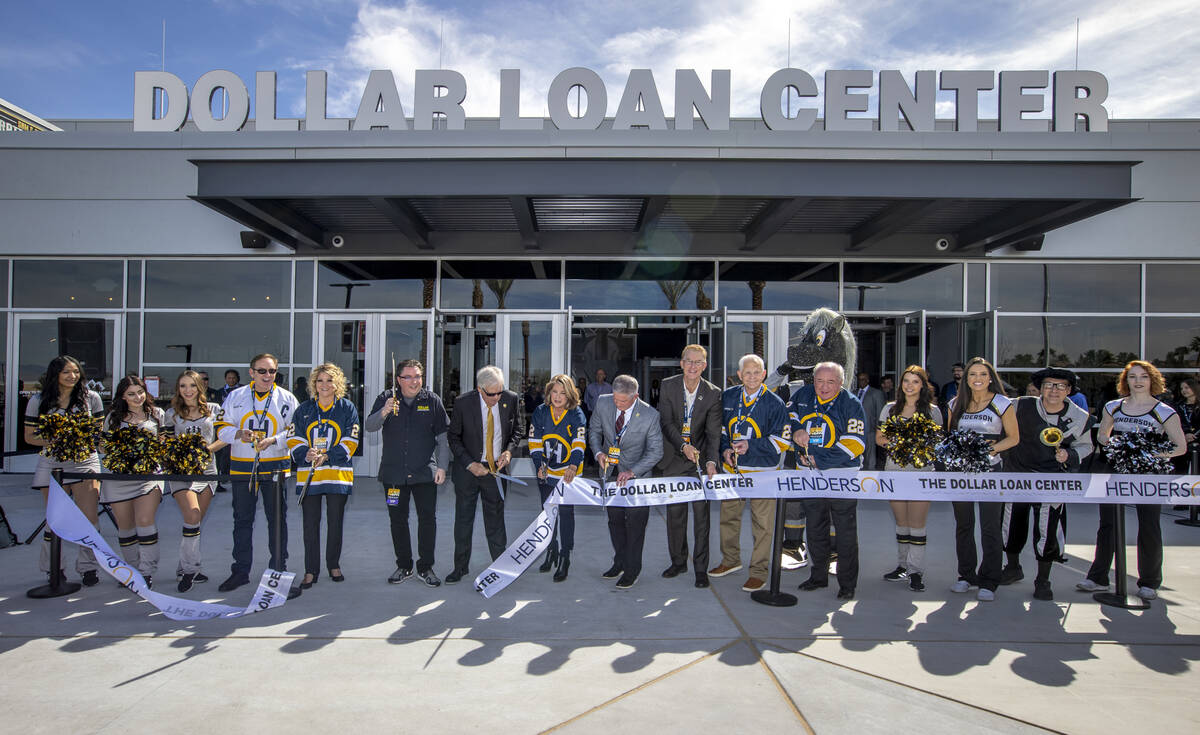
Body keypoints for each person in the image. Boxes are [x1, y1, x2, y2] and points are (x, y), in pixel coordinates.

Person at [1078, 361, 1187, 600]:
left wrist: (1148, 453)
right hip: (1113, 468)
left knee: (1149, 525)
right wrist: (1119, 447)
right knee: (1108, 524)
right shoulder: (1113, 407)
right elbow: (1103, 436)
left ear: (1152, 380)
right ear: (1125, 381)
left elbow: (1180, 447)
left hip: (1148, 474)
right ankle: (1098, 577)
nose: (1138, 381)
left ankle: (1149, 582)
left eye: (1144, 377)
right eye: (1132, 377)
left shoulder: (1164, 411)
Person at [1000, 368, 1093, 601]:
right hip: (1018, 475)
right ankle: (1012, 567)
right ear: (1040, 388)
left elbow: (1086, 446)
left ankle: (1043, 579)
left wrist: (1070, 456)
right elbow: (994, 409)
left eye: (1060, 386)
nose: (1054, 390)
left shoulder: (1079, 417)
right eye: (1049, 385)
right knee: (1011, 524)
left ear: (1069, 390)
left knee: (1047, 529)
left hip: (1051, 479)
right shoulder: (1020, 405)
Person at [214, 353, 299, 592]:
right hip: (242, 465)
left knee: (277, 520)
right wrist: (239, 434)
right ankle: (240, 571)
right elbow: (221, 428)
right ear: (251, 372)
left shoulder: (287, 398)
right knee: (242, 520)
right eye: (262, 371)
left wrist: (274, 440)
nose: (267, 376)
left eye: (272, 371)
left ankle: (278, 570)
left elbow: (295, 433)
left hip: (275, 466)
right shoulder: (235, 396)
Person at [366, 359, 449, 587]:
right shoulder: (386, 398)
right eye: (409, 377)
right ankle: (404, 566)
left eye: (418, 376)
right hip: (394, 475)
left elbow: (443, 438)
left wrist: (442, 467)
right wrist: (384, 411)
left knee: (427, 520)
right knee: (398, 520)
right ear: (398, 380)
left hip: (424, 475)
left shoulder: (431, 401)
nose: (414, 381)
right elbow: (370, 426)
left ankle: (426, 567)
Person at [711, 354, 790, 593]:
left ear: (764, 374)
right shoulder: (729, 396)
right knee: (728, 518)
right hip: (732, 471)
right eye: (747, 373)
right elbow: (722, 430)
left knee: (763, 524)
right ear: (739, 375)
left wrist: (751, 446)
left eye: (757, 372)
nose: (752, 377)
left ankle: (758, 572)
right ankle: (730, 560)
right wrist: (725, 449)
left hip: (762, 473)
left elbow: (782, 440)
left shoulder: (774, 402)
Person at [23, 356, 104, 586]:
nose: (72, 376)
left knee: (89, 519)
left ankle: (88, 568)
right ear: (55, 374)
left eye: (76, 372)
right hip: (52, 462)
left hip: (85, 461)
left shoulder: (91, 399)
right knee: (55, 520)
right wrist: (59, 439)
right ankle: (53, 568)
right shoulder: (38, 400)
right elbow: (29, 437)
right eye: (66, 372)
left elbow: (98, 435)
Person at [792, 361, 867, 601]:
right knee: (814, 527)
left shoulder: (851, 404)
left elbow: (855, 444)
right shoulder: (804, 393)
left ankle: (847, 584)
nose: (823, 387)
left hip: (841, 476)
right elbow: (789, 415)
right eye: (819, 381)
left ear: (841, 382)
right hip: (809, 476)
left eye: (830, 382)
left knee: (844, 530)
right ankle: (818, 575)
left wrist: (818, 458)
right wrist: (796, 429)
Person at [947, 357, 1020, 601]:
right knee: (963, 525)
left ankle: (990, 579)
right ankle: (966, 575)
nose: (977, 379)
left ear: (990, 378)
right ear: (965, 379)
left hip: (991, 472)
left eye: (982, 374)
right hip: (962, 474)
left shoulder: (1001, 403)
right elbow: (951, 438)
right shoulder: (955, 403)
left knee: (990, 526)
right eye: (972, 375)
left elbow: (1013, 438)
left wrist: (990, 450)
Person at [445, 365, 521, 584]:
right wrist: (469, 464)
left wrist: (508, 452)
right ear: (480, 389)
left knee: (496, 520)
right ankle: (460, 567)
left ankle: (500, 567)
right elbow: (454, 437)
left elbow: (517, 430)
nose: (497, 397)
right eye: (491, 394)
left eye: (500, 392)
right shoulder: (463, 403)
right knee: (463, 520)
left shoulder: (510, 399)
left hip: (495, 472)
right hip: (469, 471)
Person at [288, 364, 360, 590]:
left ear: (337, 383)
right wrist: (305, 453)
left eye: (330, 380)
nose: (325, 385)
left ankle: (333, 565)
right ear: (314, 384)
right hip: (310, 476)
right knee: (310, 524)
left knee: (335, 523)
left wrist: (328, 455)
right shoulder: (303, 409)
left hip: (338, 475)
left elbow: (352, 440)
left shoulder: (347, 408)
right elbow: (294, 438)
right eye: (320, 380)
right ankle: (311, 570)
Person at [655, 345, 721, 588]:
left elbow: (714, 434)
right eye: (688, 361)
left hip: (699, 463)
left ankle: (700, 569)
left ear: (704, 365)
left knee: (702, 519)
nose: (693, 366)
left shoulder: (713, 393)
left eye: (698, 362)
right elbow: (666, 422)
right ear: (681, 363)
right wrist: (683, 446)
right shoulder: (668, 386)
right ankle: (678, 561)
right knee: (675, 516)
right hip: (674, 458)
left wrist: (712, 461)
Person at [589, 374, 663, 589]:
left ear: (635, 396)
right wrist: (598, 454)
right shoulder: (603, 402)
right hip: (609, 472)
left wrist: (633, 471)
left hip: (637, 477)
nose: (618, 404)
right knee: (615, 522)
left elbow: (656, 451)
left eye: (623, 401)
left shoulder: (650, 415)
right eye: (615, 399)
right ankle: (619, 561)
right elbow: (594, 431)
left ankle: (633, 569)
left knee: (636, 525)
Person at [875, 365, 943, 593]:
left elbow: (937, 443)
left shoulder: (932, 411)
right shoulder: (889, 409)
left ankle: (916, 571)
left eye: (915, 381)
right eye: (906, 381)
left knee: (917, 525)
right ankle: (902, 566)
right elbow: (879, 437)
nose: (910, 386)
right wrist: (898, 444)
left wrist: (917, 447)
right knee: (901, 523)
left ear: (923, 385)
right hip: (894, 472)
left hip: (921, 475)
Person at [162, 370, 225, 592]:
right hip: (181, 473)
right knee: (193, 515)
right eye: (182, 386)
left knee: (194, 523)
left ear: (200, 387)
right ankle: (190, 570)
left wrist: (206, 450)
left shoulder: (215, 410)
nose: (187, 391)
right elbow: (166, 444)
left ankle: (183, 566)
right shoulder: (170, 413)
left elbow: (223, 439)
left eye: (192, 386)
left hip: (207, 471)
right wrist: (181, 454)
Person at [101, 375, 166, 588]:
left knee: (145, 520)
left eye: (140, 392)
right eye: (131, 393)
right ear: (122, 396)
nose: (137, 397)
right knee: (125, 527)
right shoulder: (112, 417)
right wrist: (121, 450)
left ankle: (147, 571)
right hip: (119, 478)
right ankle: (132, 569)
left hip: (149, 477)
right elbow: (103, 447)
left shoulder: (157, 414)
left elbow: (165, 445)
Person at [528, 374, 587, 582]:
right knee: (547, 513)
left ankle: (565, 556)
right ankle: (551, 550)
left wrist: (573, 465)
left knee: (565, 512)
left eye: (563, 392)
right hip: (546, 471)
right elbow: (534, 442)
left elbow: (579, 443)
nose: (558, 396)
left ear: (570, 394)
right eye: (554, 391)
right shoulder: (540, 412)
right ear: (549, 392)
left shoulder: (576, 413)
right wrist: (538, 466)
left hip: (568, 473)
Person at [214, 370, 241, 493]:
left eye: (233, 378)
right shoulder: (219, 392)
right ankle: (223, 475)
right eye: (229, 378)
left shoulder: (241, 392)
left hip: (238, 427)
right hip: (223, 426)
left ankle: (231, 473)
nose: (231, 380)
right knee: (222, 453)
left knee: (232, 451)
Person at [854, 371, 885, 471]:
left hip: (870, 429)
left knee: (870, 456)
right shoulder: (853, 393)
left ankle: (870, 476)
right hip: (855, 429)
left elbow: (880, 413)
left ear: (868, 380)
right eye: (859, 380)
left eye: (863, 379)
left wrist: (878, 430)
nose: (861, 382)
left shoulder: (876, 393)